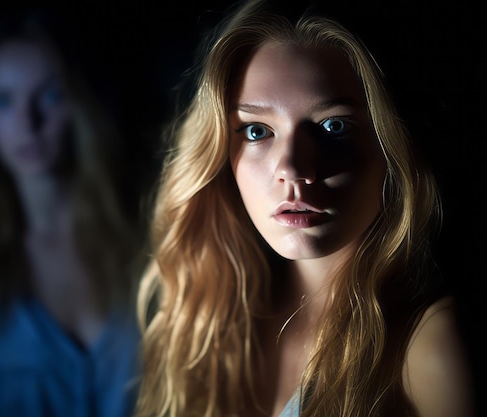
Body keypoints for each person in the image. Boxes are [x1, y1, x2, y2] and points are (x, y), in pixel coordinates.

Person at [133, 1, 474, 416]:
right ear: (222, 154)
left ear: (391, 146)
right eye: (258, 131)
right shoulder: (211, 324)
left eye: (334, 126)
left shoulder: (429, 348)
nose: (293, 169)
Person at [0, 8, 145, 417]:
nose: (27, 122)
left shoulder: (141, 241)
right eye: (2, 101)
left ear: (78, 102)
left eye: (49, 95)